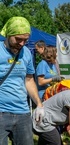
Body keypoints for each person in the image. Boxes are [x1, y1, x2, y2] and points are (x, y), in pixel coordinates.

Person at [0, 16, 44, 145]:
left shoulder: (26, 53)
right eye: (18, 39)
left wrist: (39, 104)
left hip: (23, 113)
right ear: (8, 34)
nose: (22, 44)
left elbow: (29, 80)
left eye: (25, 40)